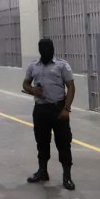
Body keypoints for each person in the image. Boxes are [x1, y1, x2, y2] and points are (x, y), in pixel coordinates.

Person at [23, 38, 76, 190]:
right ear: (39, 50)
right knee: (42, 142)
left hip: (58, 110)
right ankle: (42, 171)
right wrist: (32, 90)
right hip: (40, 110)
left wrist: (67, 108)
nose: (47, 50)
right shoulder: (33, 65)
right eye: (44, 48)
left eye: (49, 48)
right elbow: (25, 83)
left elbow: (71, 87)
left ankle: (67, 176)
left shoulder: (62, 65)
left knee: (64, 143)